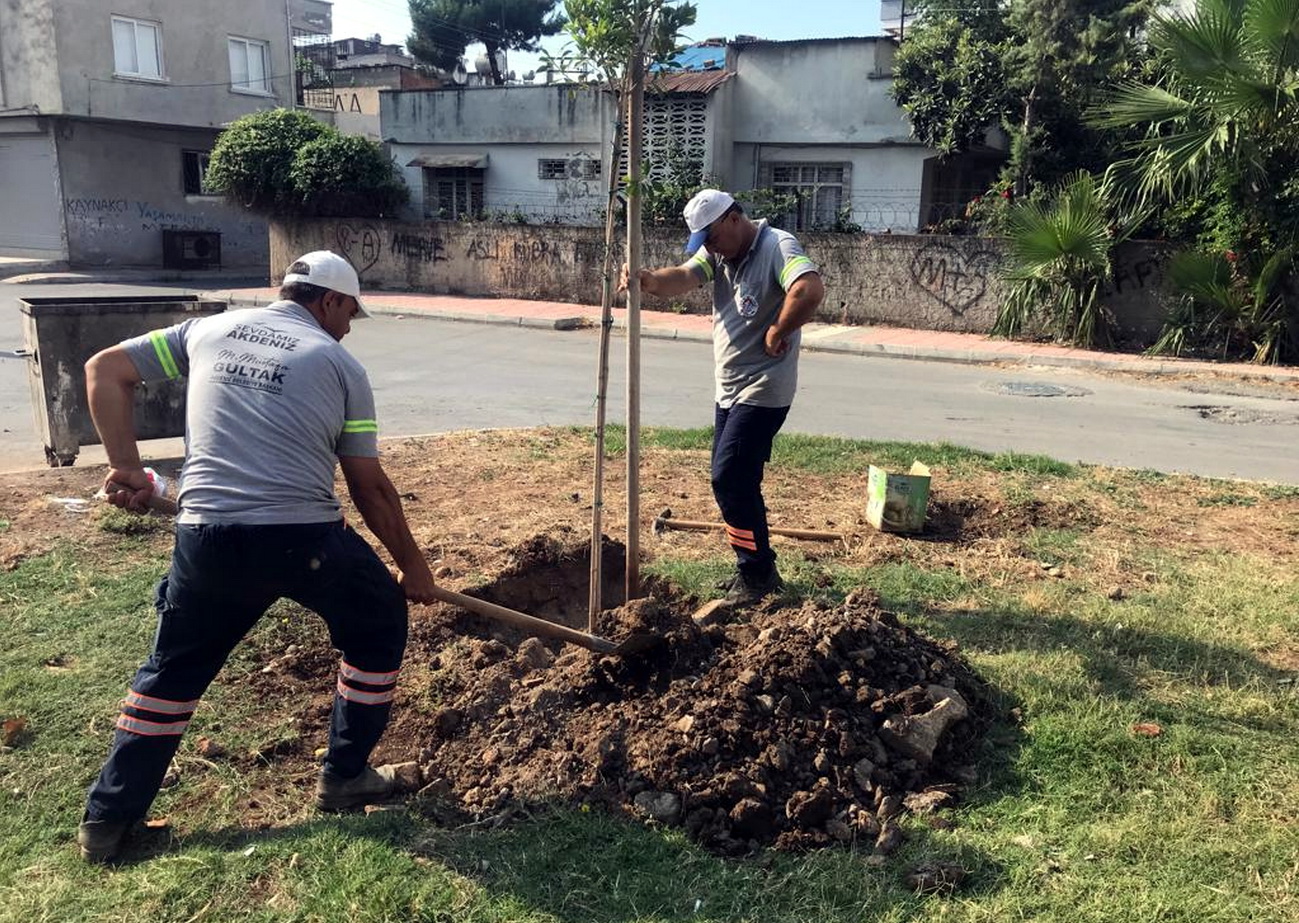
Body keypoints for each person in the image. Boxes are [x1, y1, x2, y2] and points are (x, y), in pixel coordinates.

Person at [76, 250, 439, 863]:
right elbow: (368, 487)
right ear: (329, 301)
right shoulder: (338, 363)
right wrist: (413, 567)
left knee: (173, 672)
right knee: (378, 623)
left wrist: (126, 466)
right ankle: (346, 776)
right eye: (351, 311)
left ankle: (109, 823)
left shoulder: (206, 330)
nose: (350, 325)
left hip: (206, 536)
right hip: (301, 538)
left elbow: (104, 369)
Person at [623, 189, 825, 606]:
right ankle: (753, 567)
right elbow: (683, 276)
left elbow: (808, 289)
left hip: (764, 388)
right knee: (730, 481)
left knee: (729, 476)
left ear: (734, 219)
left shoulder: (776, 246)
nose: (710, 248)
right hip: (729, 389)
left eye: (712, 237)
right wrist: (647, 280)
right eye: (704, 242)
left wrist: (777, 330)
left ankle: (757, 574)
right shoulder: (719, 255)